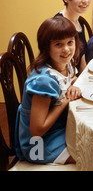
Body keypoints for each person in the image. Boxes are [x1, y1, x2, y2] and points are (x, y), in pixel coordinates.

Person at [15, 16, 82, 164]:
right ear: (47, 47)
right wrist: (66, 100)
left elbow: (70, 79)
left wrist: (74, 84)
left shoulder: (65, 64)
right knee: (90, 155)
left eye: (70, 42)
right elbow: (37, 130)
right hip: (39, 146)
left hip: (59, 129)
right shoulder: (44, 81)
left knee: (92, 142)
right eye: (58, 44)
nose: (66, 49)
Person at [55, 0, 93, 74]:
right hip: (63, 85)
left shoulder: (79, 21)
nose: (86, 1)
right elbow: (58, 71)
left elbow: (82, 59)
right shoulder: (60, 26)